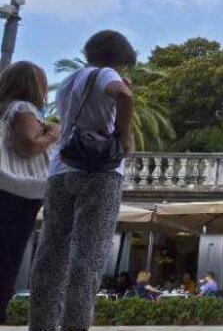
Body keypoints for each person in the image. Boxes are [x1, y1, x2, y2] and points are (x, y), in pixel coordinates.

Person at [29, 30, 136, 331]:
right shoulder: (105, 74)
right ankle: (75, 325)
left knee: (51, 251)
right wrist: (122, 135)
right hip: (98, 172)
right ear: (117, 58)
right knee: (88, 255)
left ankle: (42, 324)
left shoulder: (68, 82)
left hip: (61, 170)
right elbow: (124, 95)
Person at [0, 61, 57, 323]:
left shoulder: (4, 110)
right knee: (7, 260)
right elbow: (27, 146)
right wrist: (52, 134)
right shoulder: (23, 108)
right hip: (16, 189)